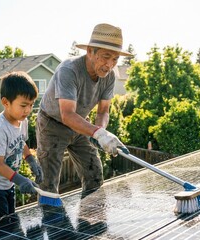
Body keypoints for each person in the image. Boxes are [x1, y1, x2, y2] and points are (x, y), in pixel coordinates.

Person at [36, 23, 132, 195]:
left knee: (94, 175)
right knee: (48, 185)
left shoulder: (109, 76)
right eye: (105, 57)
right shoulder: (69, 70)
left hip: (81, 124)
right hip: (52, 124)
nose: (109, 65)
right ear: (90, 51)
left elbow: (103, 111)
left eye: (115, 59)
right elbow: (67, 115)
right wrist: (97, 133)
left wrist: (101, 133)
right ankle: (50, 220)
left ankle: (90, 220)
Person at [0, 71, 44, 222]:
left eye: (31, 105)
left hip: (8, 183)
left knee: (9, 225)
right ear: (6, 103)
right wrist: (20, 180)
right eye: (23, 105)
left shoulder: (22, 120)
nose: (28, 110)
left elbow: (22, 142)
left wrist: (31, 160)